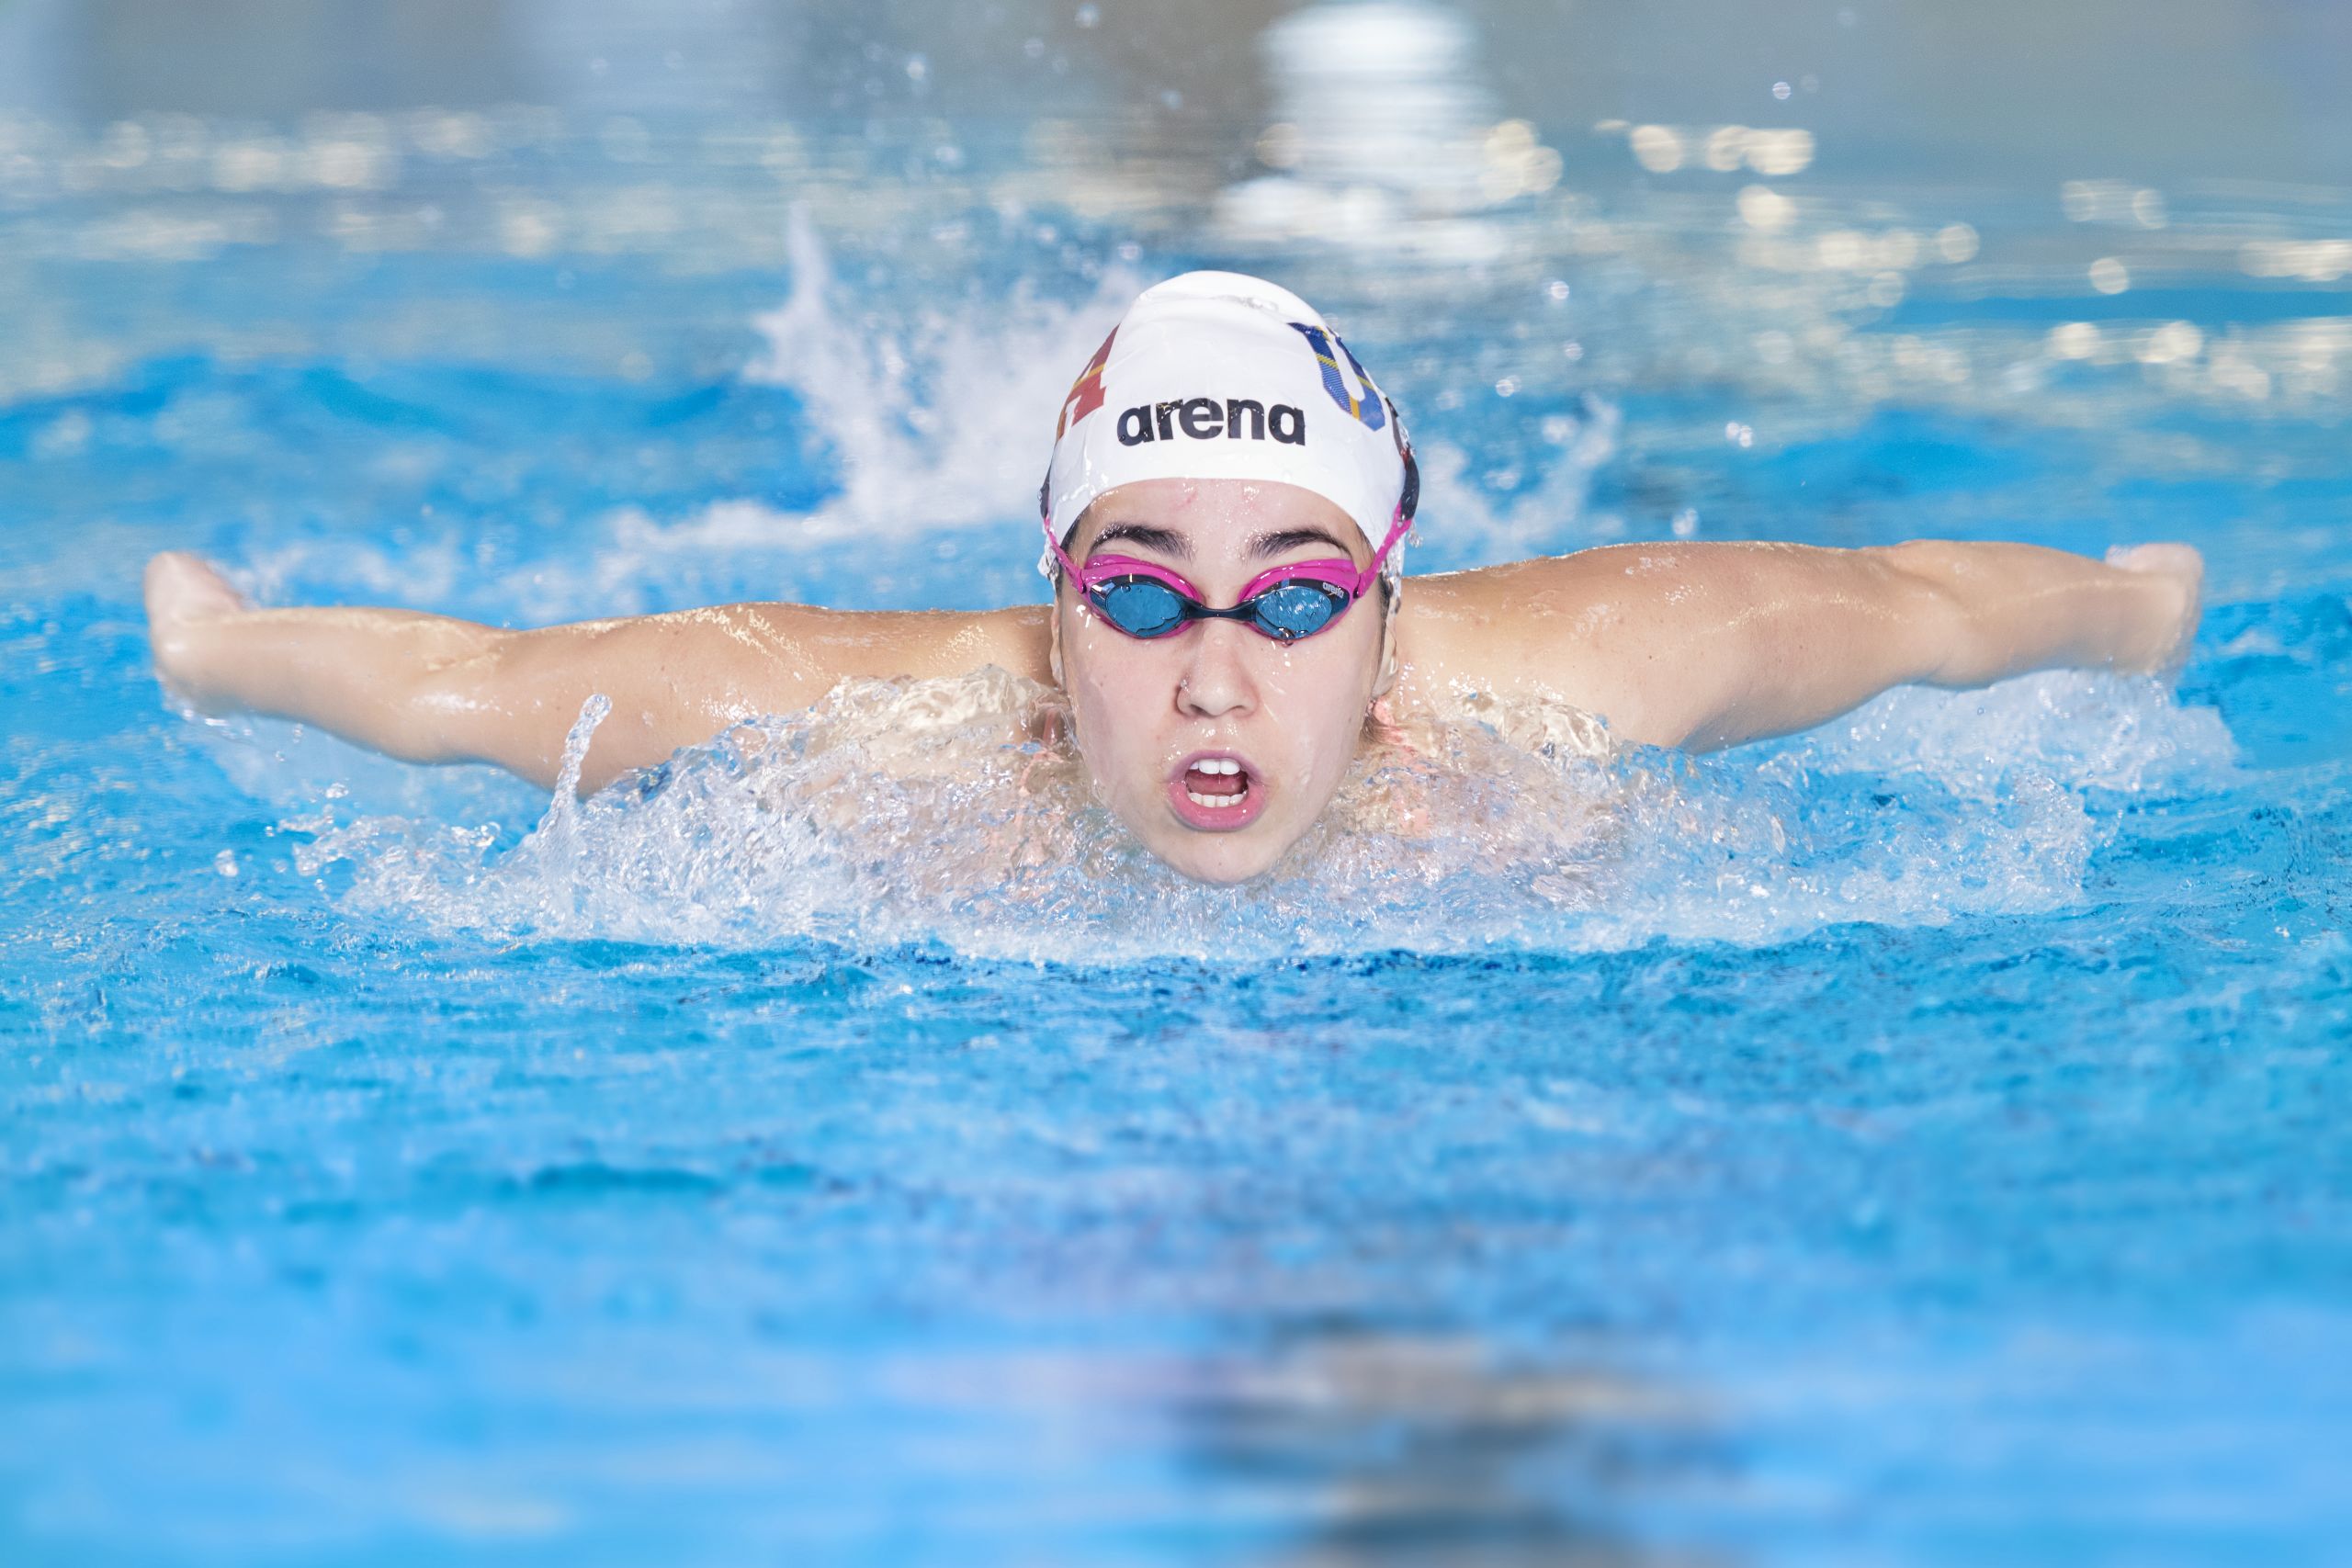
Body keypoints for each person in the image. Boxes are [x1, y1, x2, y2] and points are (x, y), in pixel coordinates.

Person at [145, 271, 2203, 885]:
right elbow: (461, 682)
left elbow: (1923, 606)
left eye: (1294, 595)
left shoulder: (1588, 668)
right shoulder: (882, 712)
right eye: (1139, 595)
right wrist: (222, 645)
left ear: (1392, 603)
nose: (1215, 674)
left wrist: (2123, 608)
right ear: (1049, 608)